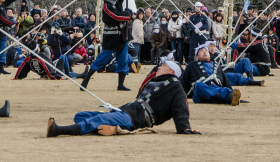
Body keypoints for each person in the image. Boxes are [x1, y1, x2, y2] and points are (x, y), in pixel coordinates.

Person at [47, 57, 200, 137]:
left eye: (163, 66)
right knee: (80, 116)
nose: (158, 67)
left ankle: (58, 131)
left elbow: (181, 108)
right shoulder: (155, 81)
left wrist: (184, 128)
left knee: (96, 120)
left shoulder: (175, 86)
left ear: (172, 71)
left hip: (135, 119)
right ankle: (114, 129)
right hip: (126, 111)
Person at [81, 0, 133, 92]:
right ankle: (85, 80)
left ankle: (121, 84)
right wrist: (128, 15)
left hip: (122, 36)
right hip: (111, 37)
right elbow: (116, 17)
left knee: (123, 60)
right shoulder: (106, 6)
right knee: (102, 59)